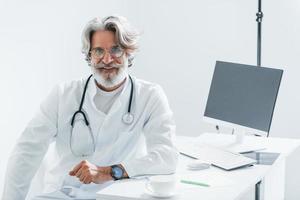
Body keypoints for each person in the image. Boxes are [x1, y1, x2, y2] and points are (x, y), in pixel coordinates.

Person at [2, 16, 178, 200]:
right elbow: (26, 152)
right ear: (89, 55)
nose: (107, 59)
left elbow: (167, 157)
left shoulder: (149, 96)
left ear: (128, 52)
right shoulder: (63, 95)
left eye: (116, 49)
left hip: (117, 195)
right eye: (99, 51)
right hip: (64, 195)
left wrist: (109, 172)